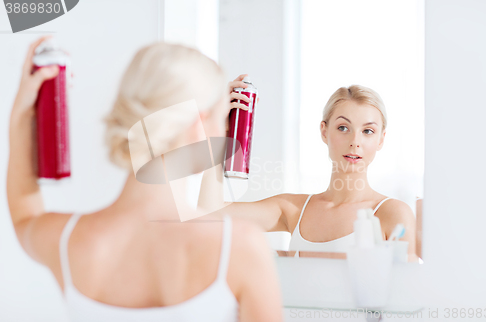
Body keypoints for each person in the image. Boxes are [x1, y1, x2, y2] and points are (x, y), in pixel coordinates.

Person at [7, 37, 283, 321]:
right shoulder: (240, 247)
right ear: (196, 125)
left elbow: (23, 215)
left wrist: (20, 116)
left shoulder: (67, 240)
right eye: (223, 114)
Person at [199, 76, 418, 261]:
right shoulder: (292, 210)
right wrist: (216, 132)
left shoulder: (393, 214)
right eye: (343, 127)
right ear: (324, 131)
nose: (355, 141)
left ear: (381, 139)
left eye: (368, 131)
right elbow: (207, 218)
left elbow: (408, 299)